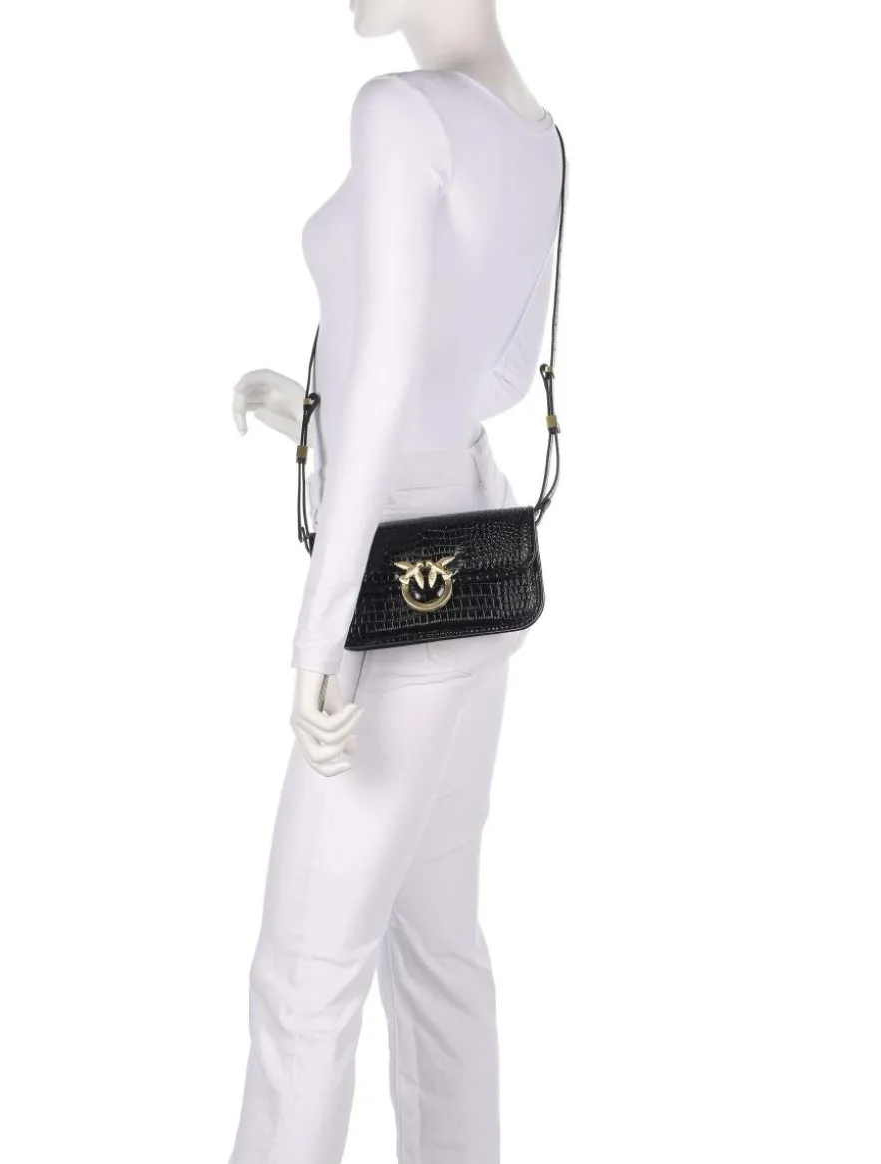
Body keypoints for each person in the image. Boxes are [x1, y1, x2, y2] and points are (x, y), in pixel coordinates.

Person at [227, 3, 566, 1161]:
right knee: (437, 956)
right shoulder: (537, 132)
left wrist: (318, 639)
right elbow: (493, 376)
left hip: (390, 583)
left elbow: (381, 377)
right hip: (475, 557)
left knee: (304, 984)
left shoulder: (401, 112)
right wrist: (311, 416)